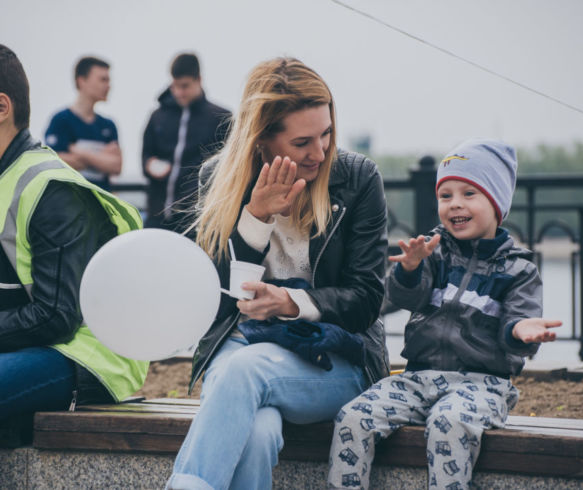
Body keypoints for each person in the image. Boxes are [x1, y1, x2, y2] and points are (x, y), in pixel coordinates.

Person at [165, 57, 390, 489]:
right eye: (303, 141)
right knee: (258, 431)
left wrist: (292, 303)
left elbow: (365, 300)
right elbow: (213, 298)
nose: (320, 152)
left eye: (327, 134)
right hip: (242, 345)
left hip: (335, 358)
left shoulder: (357, 178)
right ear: (261, 140)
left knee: (245, 372)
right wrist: (255, 219)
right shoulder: (222, 178)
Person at [327, 138, 561, 490]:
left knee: (448, 423)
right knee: (353, 416)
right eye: (446, 195)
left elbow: (518, 322)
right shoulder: (433, 252)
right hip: (419, 378)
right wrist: (409, 270)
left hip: (482, 385)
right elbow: (403, 298)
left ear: (497, 203)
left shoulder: (518, 270)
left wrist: (521, 330)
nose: (455, 204)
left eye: (469, 194)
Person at [0, 45, 149, 424]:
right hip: (33, 343)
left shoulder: (52, 189)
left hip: (86, 354)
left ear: (2, 108)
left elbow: (56, 316)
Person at [142, 52, 231, 232]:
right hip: (157, 215)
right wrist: (150, 164)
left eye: (185, 86)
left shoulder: (221, 118)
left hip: (196, 218)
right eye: (175, 86)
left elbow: (228, 167)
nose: (179, 92)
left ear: (199, 79)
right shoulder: (157, 117)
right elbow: (145, 156)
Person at [44, 56, 121, 190]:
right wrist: (100, 159)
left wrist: (79, 152)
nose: (108, 85)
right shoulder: (61, 120)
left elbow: (116, 166)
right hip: (69, 202)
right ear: (82, 81)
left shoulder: (108, 125)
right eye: (103, 79)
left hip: (100, 203)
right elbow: (54, 161)